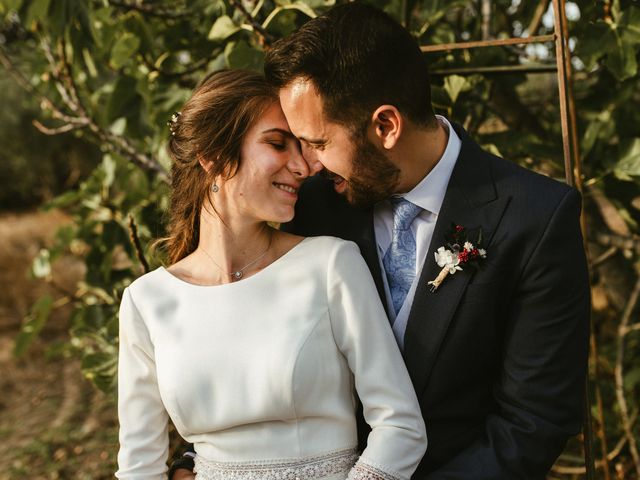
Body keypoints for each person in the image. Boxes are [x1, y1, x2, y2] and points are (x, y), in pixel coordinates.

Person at [169, 3, 591, 479]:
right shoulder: (306, 208)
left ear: (386, 126)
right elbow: (232, 339)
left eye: (320, 143)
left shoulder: (535, 218)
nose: (307, 165)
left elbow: (532, 422)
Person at [116, 68, 427, 480]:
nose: (302, 166)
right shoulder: (146, 301)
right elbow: (139, 467)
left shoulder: (330, 264)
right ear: (214, 157)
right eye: (278, 144)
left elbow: (400, 425)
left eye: (302, 147)